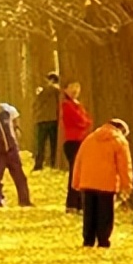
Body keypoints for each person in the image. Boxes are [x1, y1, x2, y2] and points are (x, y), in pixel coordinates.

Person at [72, 119, 133, 248]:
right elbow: (124, 166)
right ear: (121, 130)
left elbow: (79, 161)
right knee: (105, 214)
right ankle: (103, 241)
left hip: (87, 182)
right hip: (107, 183)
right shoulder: (120, 142)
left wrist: (76, 182)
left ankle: (88, 240)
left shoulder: (89, 139)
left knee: (89, 214)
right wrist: (126, 186)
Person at [60, 81, 93, 214]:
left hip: (81, 141)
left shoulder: (77, 104)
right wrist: (85, 122)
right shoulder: (66, 105)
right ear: (65, 89)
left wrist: (85, 121)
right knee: (75, 173)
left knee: (80, 173)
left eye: (77, 87)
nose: (75, 90)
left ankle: (80, 203)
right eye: (72, 87)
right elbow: (80, 121)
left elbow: (87, 120)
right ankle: (72, 203)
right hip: (72, 142)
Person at [32, 72, 61, 171]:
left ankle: (39, 164)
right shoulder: (58, 90)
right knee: (53, 144)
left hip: (42, 119)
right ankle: (53, 163)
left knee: (41, 144)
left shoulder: (42, 90)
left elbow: (36, 103)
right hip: (54, 119)